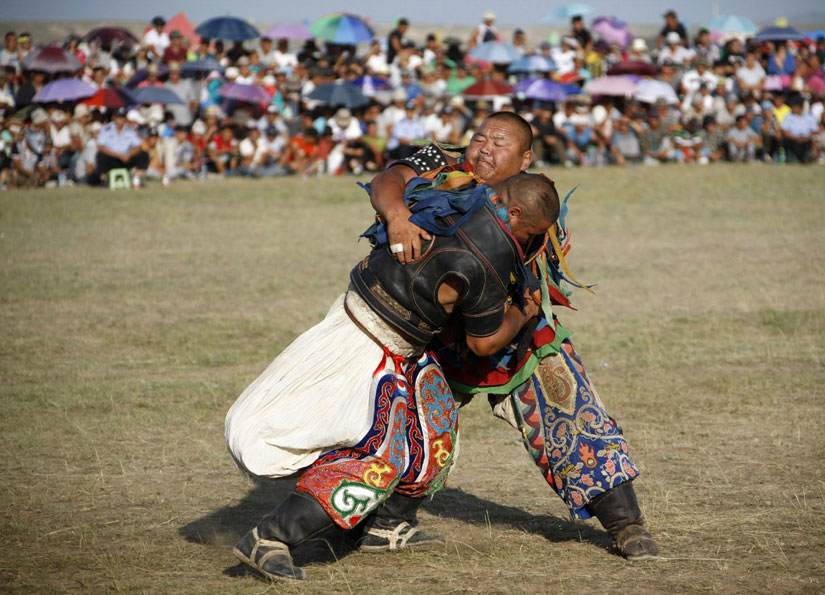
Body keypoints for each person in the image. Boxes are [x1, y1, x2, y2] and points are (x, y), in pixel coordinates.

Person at [226, 165, 559, 582]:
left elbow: (390, 178)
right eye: (531, 233)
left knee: (435, 430)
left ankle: (385, 526)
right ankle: (270, 537)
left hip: (388, 333)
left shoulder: (450, 192)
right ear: (514, 214)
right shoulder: (493, 250)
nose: (529, 241)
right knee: (379, 457)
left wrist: (397, 212)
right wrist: (524, 311)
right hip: (371, 341)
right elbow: (484, 343)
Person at [361, 111, 661, 560]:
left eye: (499, 143)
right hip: (435, 337)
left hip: (516, 333)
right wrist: (398, 213)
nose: (484, 148)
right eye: (480, 137)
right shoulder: (442, 164)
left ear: (524, 160)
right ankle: (383, 523)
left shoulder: (532, 201)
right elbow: (389, 177)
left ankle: (626, 524)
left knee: (571, 407)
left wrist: (523, 313)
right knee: (410, 423)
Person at [89, 107, 148, 185]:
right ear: (114, 117)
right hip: (112, 158)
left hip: (126, 158)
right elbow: (101, 147)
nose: (121, 120)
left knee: (143, 155)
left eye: (123, 117)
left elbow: (138, 146)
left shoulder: (129, 130)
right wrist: (119, 155)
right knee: (101, 155)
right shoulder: (106, 129)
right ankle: (103, 179)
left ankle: (137, 178)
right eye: (119, 117)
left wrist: (129, 155)